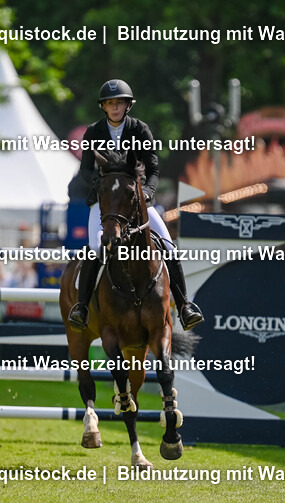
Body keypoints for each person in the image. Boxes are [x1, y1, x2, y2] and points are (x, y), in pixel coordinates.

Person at [66, 79, 204, 331]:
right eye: (110, 103)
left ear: (127, 106)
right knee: (96, 246)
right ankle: (82, 307)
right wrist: (100, 185)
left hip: (135, 201)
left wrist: (149, 193)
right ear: (104, 107)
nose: (115, 107)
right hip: (104, 203)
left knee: (168, 245)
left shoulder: (140, 130)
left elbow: (152, 169)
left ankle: (184, 306)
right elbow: (85, 170)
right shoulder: (93, 132)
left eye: (119, 103)